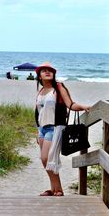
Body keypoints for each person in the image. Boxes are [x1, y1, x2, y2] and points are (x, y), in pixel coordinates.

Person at [34, 62, 91, 197]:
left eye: (50, 71)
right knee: (45, 160)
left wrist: (83, 106)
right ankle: (54, 189)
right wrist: (37, 131)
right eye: (44, 71)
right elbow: (38, 113)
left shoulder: (58, 87)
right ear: (39, 76)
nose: (47, 72)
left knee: (46, 157)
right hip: (42, 129)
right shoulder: (40, 92)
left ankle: (58, 189)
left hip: (54, 128)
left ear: (54, 74)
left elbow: (70, 104)